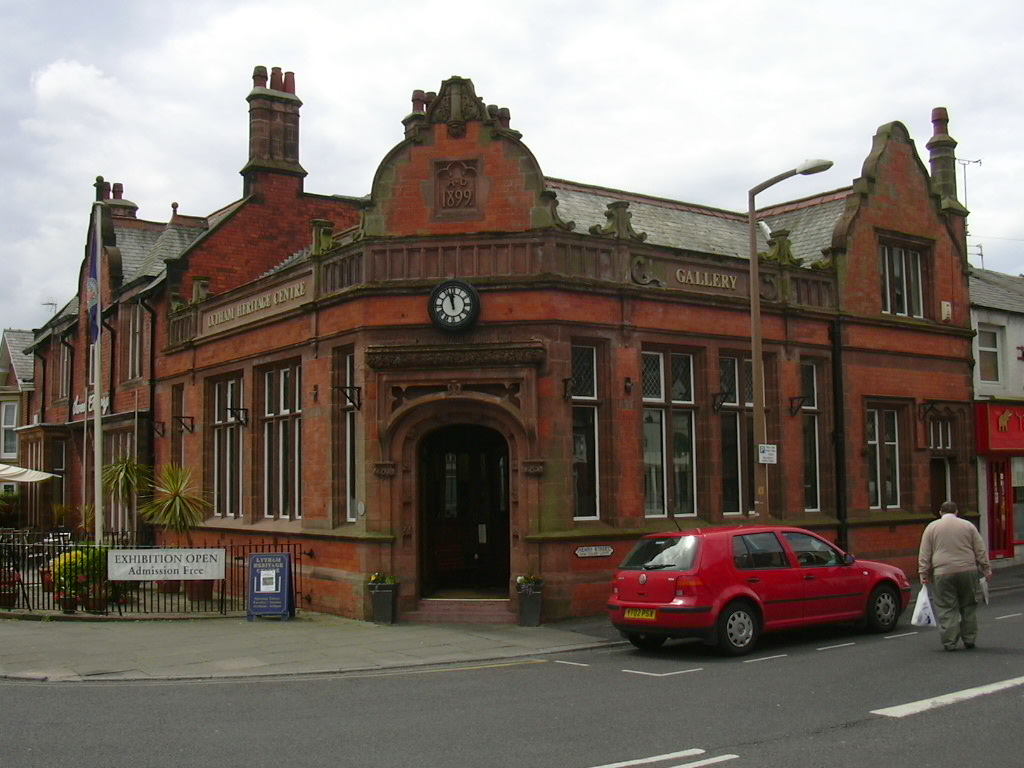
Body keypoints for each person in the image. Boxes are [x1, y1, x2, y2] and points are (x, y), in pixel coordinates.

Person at [918, 500, 993, 651]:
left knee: (946, 607)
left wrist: (923, 573)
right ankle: (969, 639)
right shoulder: (968, 526)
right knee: (968, 605)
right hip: (967, 570)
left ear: (940, 512)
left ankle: (950, 642)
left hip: (943, 572)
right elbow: (980, 549)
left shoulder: (931, 528)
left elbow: (924, 553)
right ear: (957, 512)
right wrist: (986, 568)